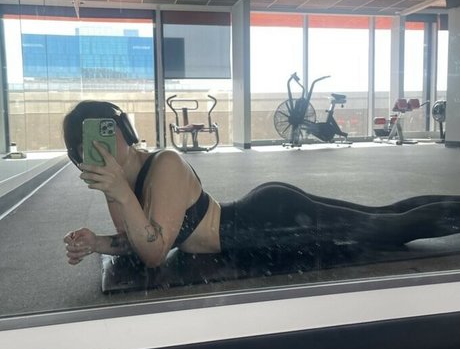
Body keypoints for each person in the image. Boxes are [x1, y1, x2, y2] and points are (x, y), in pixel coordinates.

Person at [63, 100, 460, 268]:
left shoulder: (164, 163)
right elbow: (136, 241)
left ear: (123, 131)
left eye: (104, 133)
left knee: (387, 230)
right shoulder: (118, 183)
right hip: (264, 213)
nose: (95, 147)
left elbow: (154, 252)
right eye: (83, 145)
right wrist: (98, 242)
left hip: (272, 222)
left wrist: (118, 192)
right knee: (381, 217)